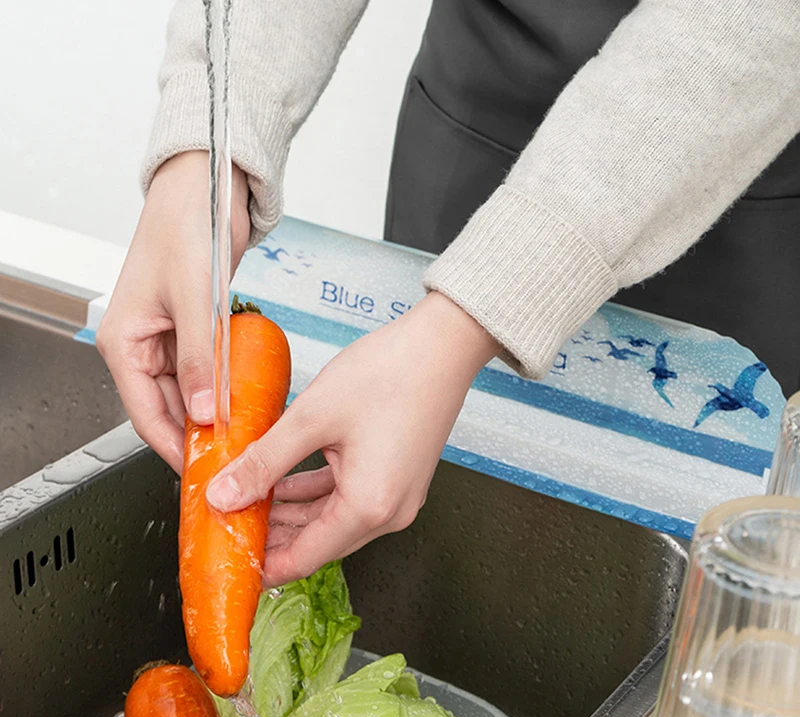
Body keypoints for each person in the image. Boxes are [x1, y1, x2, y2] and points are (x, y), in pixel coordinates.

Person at [97, 0, 800, 588]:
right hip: (474, 117)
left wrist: (472, 314)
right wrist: (211, 138)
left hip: (732, 150)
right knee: (416, 549)